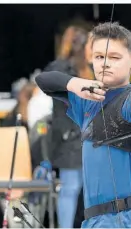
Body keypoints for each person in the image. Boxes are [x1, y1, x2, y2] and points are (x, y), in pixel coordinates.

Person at [35, 22, 131, 228]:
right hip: (94, 220)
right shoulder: (86, 99)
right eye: (99, 57)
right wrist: (76, 84)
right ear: (90, 59)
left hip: (127, 219)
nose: (105, 63)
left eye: (114, 57)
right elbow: (44, 80)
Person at [42, 25, 92, 228]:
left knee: (84, 189)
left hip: (85, 136)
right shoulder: (60, 69)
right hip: (69, 137)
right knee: (71, 188)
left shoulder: (85, 70)